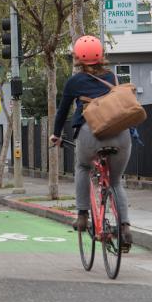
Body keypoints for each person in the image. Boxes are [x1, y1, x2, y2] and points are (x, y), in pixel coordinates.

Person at [49, 35, 133, 250]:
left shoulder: (75, 81)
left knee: (83, 167)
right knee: (115, 182)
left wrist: (56, 134)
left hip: (90, 132)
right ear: (101, 55)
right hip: (121, 133)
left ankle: (83, 214)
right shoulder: (112, 77)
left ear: (77, 57)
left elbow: (62, 111)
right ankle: (124, 228)